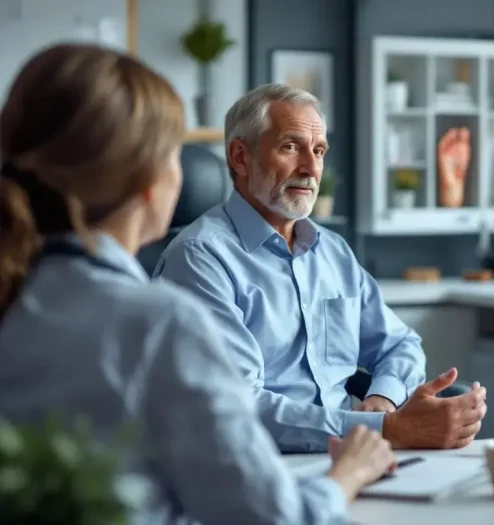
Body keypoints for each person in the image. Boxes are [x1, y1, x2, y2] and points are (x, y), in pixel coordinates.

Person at [0, 44, 396, 524]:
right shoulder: (159, 322)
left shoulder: (21, 298)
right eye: (174, 154)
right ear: (148, 181)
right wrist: (349, 473)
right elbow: (277, 519)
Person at [154, 84, 488, 453]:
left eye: (318, 151)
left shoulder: (332, 251)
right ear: (240, 157)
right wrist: (385, 429)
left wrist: (383, 400)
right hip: (262, 461)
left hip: (356, 452)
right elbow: (238, 403)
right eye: (290, 147)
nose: (312, 168)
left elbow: (399, 344)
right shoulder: (200, 258)